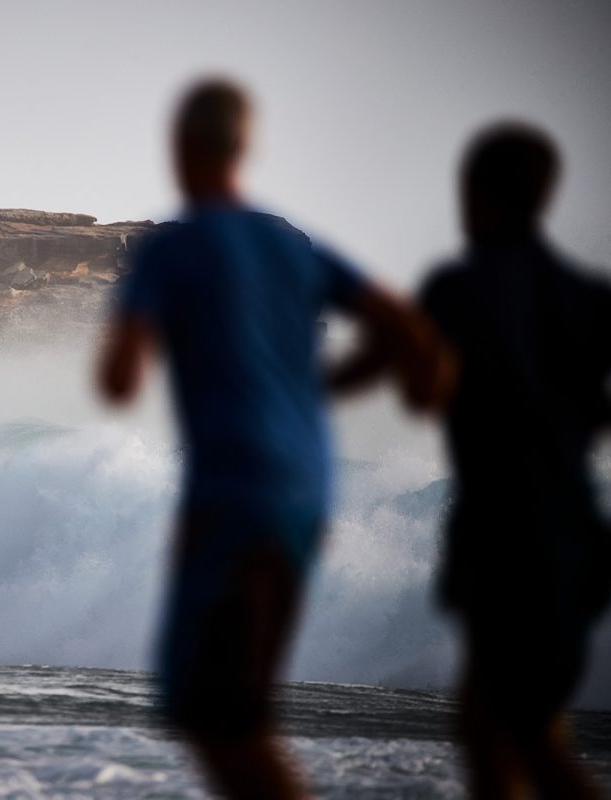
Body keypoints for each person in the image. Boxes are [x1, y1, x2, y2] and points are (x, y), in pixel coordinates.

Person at [98, 78, 451, 799]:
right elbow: (409, 331)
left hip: (233, 493)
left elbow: (119, 380)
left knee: (218, 716)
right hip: (306, 496)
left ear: (180, 147)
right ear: (244, 148)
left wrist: (139, 338)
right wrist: (349, 387)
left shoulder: (171, 249)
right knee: (233, 710)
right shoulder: (291, 244)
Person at [347, 123, 610, 799]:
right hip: (577, 533)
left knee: (505, 738)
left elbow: (421, 394)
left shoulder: (459, 288)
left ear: (476, 194)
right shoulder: (587, 297)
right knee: (527, 729)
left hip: (502, 530)